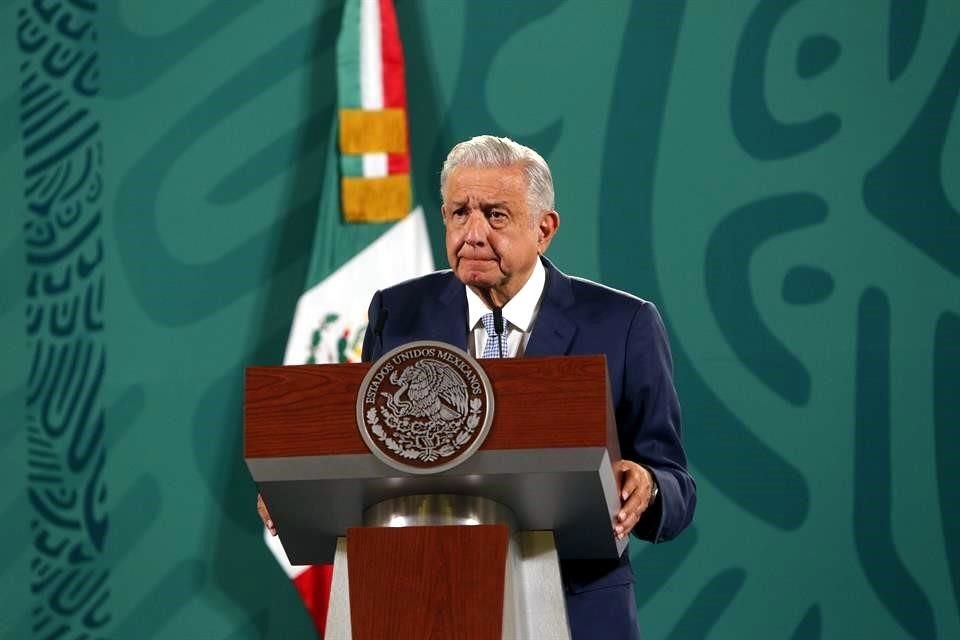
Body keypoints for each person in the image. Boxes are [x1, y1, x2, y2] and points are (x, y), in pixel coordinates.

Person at [259, 135, 695, 638]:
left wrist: (648, 485)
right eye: (459, 213)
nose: (473, 234)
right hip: (422, 601)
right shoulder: (398, 313)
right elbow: (371, 447)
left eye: (495, 215)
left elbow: (676, 484)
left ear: (544, 229)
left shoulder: (623, 324)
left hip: (574, 608)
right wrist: (298, 488)